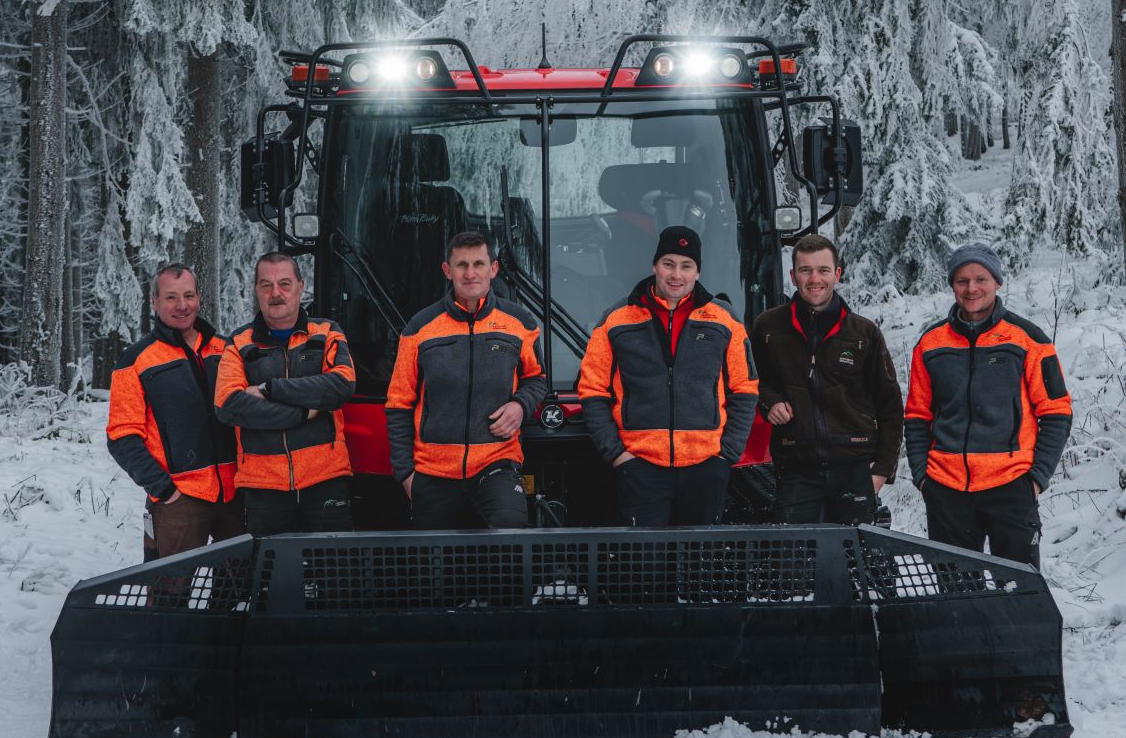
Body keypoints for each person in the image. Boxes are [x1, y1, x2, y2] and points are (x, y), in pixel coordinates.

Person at [904, 243, 1072, 568]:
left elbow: (1056, 412)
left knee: (1018, 591)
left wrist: (1036, 478)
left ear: (997, 282)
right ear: (952, 285)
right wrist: (923, 477)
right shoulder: (930, 343)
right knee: (956, 593)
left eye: (980, 279)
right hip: (946, 489)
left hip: (1011, 488)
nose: (972, 289)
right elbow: (916, 415)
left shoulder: (1029, 339)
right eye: (962, 280)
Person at [578, 225, 758, 526]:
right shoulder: (617, 319)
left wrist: (726, 455)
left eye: (687, 266)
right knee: (646, 565)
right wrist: (617, 454)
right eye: (669, 264)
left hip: (706, 465)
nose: (677, 275)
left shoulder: (724, 320)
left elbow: (744, 388)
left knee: (700, 564)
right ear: (655, 266)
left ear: (697, 272)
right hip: (640, 466)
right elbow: (592, 389)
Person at [386, 230, 546, 529]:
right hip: (433, 472)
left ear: (493, 269)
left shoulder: (519, 323)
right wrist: (406, 474)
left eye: (478, 264)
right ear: (447, 271)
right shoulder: (419, 328)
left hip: (496, 463)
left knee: (509, 539)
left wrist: (520, 406)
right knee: (435, 566)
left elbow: (537, 380)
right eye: (461, 265)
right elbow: (398, 404)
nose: (470, 273)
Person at [751, 233, 903, 524]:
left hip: (855, 466)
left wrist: (881, 472)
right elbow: (755, 383)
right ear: (793, 276)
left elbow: (891, 406)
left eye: (822, 270)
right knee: (794, 559)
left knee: (854, 561)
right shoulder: (768, 328)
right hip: (796, 470)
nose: (814, 278)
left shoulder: (863, 333)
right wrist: (770, 402)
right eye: (805, 270)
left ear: (837, 274)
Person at [106, 264, 244, 558]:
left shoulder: (226, 350)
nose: (182, 306)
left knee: (240, 588)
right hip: (178, 500)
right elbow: (121, 436)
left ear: (199, 299)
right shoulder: (136, 360)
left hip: (237, 494)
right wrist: (164, 490)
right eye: (170, 298)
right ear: (154, 302)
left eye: (188, 296)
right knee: (168, 591)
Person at [215, 251, 355, 535]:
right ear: (256, 289)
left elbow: (341, 385)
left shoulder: (326, 332)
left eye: (284, 284)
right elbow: (228, 404)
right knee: (271, 575)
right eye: (266, 285)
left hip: (324, 481)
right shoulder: (239, 342)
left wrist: (269, 389)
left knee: (337, 574)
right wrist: (304, 411)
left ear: (300, 286)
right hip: (263, 488)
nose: (275, 293)